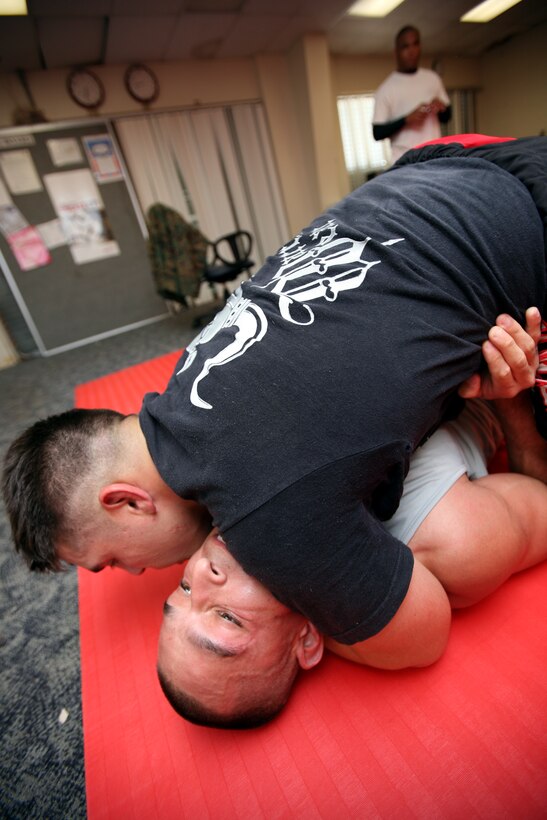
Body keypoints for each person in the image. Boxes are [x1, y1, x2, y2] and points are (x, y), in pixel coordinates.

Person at [3, 136, 547, 670]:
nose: (141, 573)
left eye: (116, 561)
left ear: (127, 501)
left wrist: (301, 609)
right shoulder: (189, 371)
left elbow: (421, 638)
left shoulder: (261, 515)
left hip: (529, 221)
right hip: (430, 174)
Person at [156, 396, 547, 729]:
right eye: (226, 616)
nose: (201, 572)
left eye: (185, 589)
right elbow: (539, 495)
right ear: (307, 638)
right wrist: (506, 383)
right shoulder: (450, 540)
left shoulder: (216, 475)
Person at [372, 25, 451, 162]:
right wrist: (406, 119)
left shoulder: (432, 79)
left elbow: (447, 116)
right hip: (405, 161)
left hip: (435, 156)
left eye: (415, 44)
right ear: (396, 52)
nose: (412, 51)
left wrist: (441, 108)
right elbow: (377, 132)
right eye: (405, 46)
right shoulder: (386, 89)